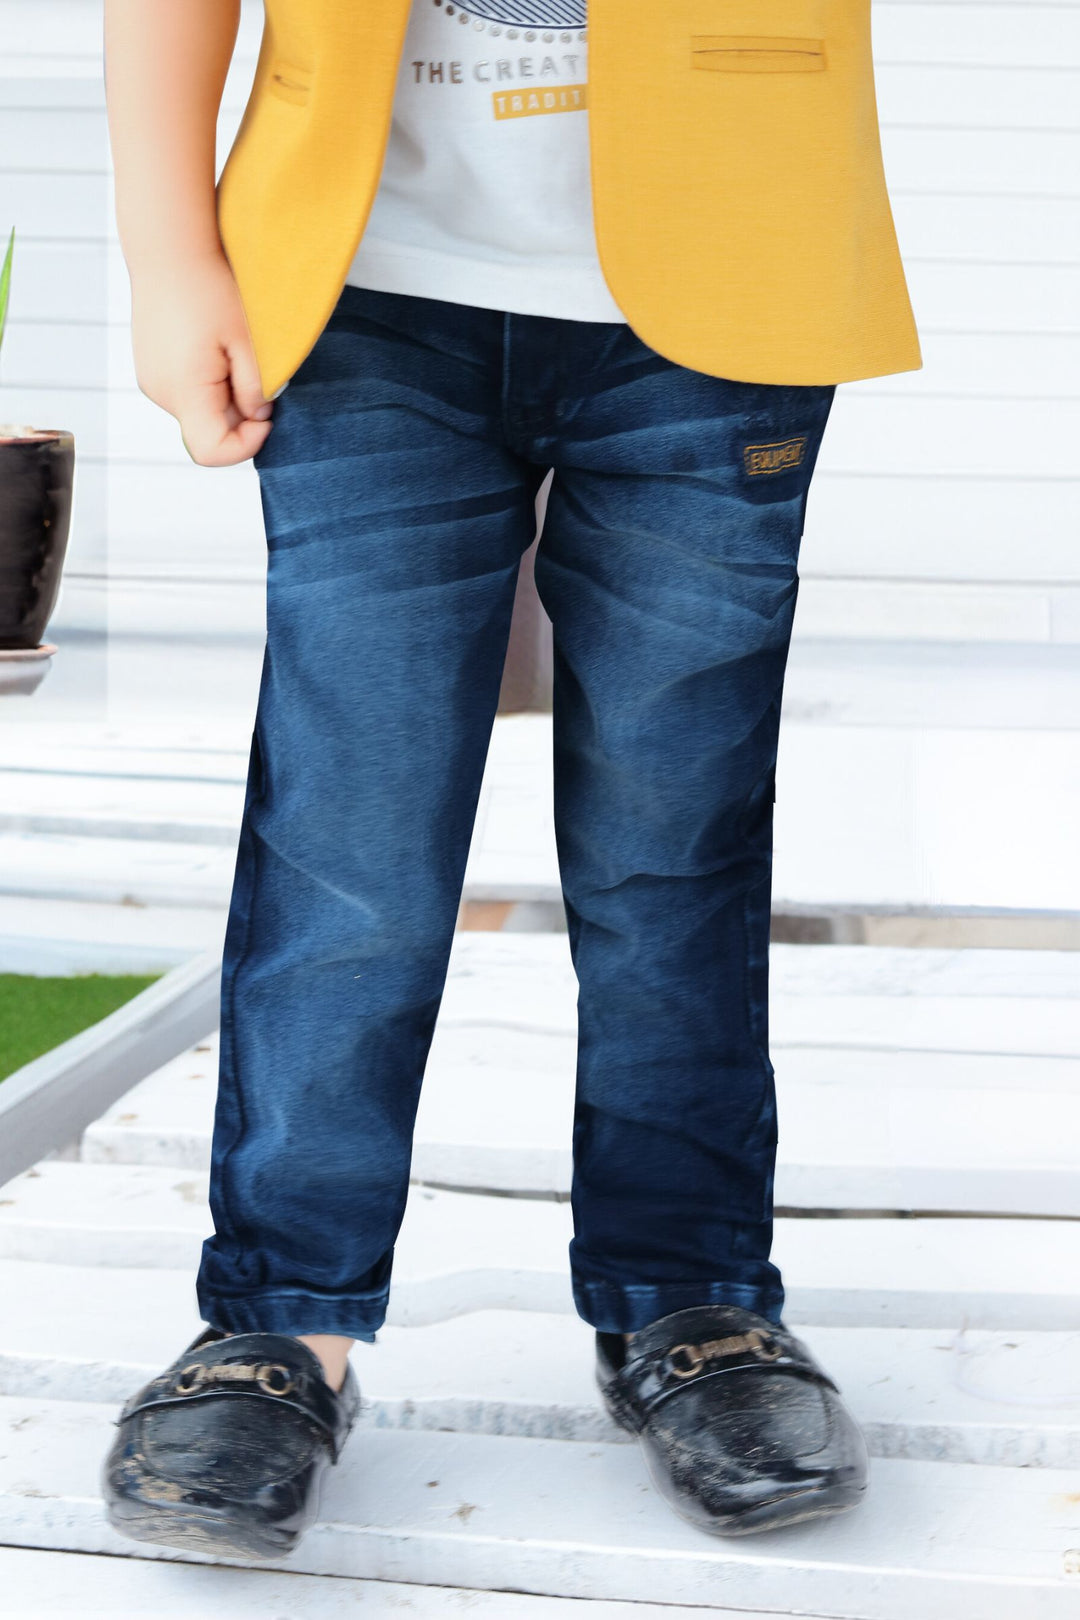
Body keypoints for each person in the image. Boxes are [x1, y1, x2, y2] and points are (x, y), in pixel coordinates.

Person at [99, 0, 920, 1560]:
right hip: (360, 292)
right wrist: (169, 251)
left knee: (674, 842)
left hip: (723, 281)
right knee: (346, 839)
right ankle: (279, 1325)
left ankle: (693, 1300)